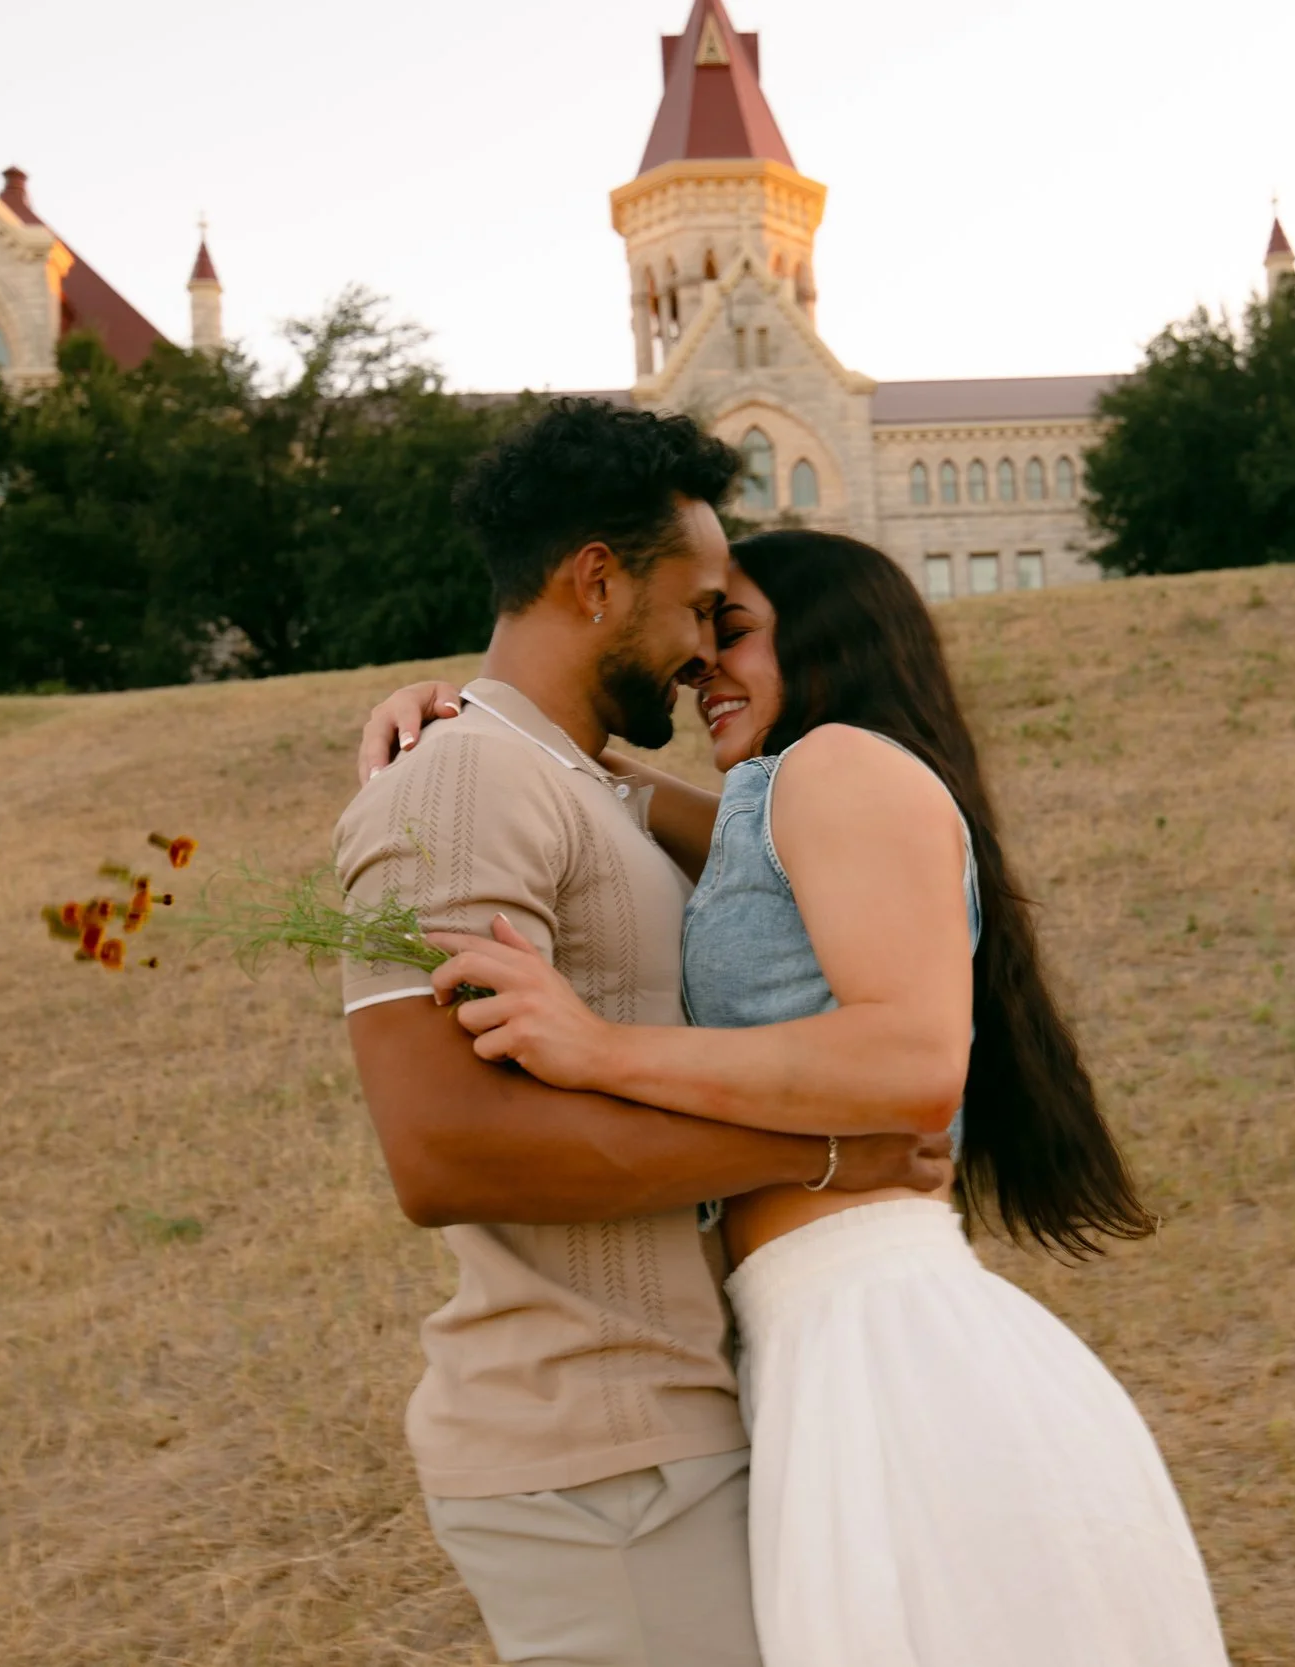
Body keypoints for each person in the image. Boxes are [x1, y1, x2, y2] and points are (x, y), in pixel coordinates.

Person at [361, 529, 1230, 1666]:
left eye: (733, 631)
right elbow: (598, 783)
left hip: (877, 1332)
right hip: (814, 1336)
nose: (700, 663)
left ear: (827, 637)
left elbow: (915, 1062)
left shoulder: (837, 766)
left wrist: (600, 1048)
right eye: (698, 632)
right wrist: (462, 710)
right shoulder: (775, 801)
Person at [334, 401, 954, 1667]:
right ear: (598, 581)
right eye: (696, 607)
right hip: (599, 1453)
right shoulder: (459, 778)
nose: (701, 650)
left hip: (689, 1420)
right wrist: (821, 1156)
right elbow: (446, 1152)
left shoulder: (566, 782)